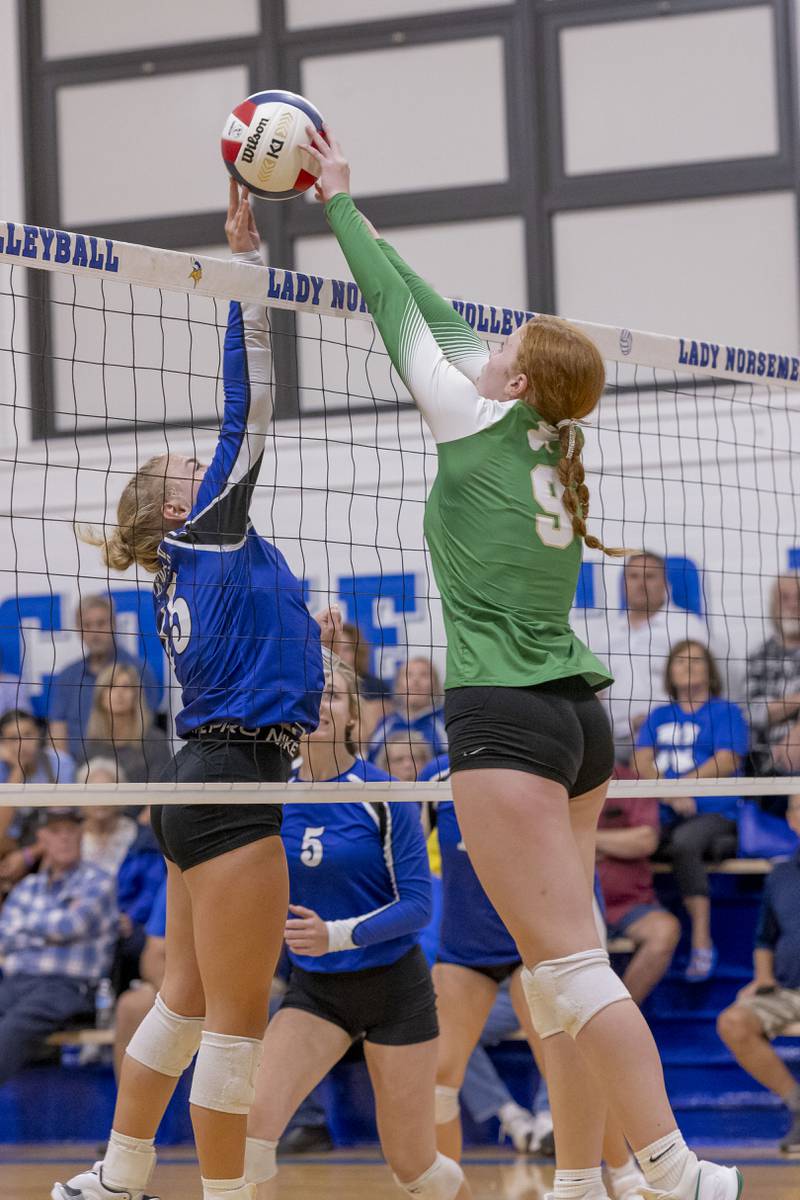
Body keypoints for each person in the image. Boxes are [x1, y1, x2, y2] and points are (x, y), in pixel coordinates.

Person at [308, 127, 742, 1200]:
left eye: (513, 340)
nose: (493, 340)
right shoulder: (541, 432)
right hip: (576, 725)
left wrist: (331, 211)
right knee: (564, 966)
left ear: (519, 373)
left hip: (504, 720)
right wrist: (362, 202)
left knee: (565, 967)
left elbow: (390, 306)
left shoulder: (465, 415)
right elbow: (441, 309)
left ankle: (673, 1169)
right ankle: (589, 1175)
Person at [54, 183, 324, 1200]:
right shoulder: (204, 533)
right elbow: (243, 404)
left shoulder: (200, 560)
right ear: (179, 502)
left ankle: (119, 1176)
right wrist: (243, 282)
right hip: (231, 779)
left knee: (182, 1000)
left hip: (198, 774)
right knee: (233, 1027)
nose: (200, 465)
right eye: (187, 468)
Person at [245, 659, 457, 1198]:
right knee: (251, 1133)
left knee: (414, 1167)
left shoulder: (384, 793)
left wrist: (335, 934)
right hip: (317, 993)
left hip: (395, 990)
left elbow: (417, 905)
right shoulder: (271, 798)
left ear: (352, 718)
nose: (319, 706)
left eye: (333, 696)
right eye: (311, 696)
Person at [634, 641, 748, 982]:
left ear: (709, 670)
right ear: (669, 671)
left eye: (696, 661)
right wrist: (670, 792)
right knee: (637, 841)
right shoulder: (659, 716)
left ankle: (701, 937)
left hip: (716, 812)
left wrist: (682, 784)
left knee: (685, 844)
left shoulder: (725, 712)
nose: (688, 667)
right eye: (680, 662)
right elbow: (641, 761)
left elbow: (728, 759)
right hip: (669, 812)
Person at [0, 808, 118, 1086]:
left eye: (71, 830)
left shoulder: (99, 881)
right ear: (42, 840)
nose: (64, 838)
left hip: (69, 986)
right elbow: (5, 935)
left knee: (13, 1028)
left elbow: (70, 926)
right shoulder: (28, 886)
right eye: (55, 831)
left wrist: (29, 927)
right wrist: (52, 928)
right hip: (16, 982)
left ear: (81, 835)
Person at [716, 794, 800, 1156]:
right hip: (787, 990)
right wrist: (763, 976)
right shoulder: (782, 872)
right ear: (792, 819)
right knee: (733, 1022)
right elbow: (764, 937)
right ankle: (799, 1104)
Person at [580, 553, 710, 763]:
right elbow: (595, 689)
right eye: (633, 577)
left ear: (666, 584)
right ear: (623, 585)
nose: (641, 584)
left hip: (670, 737)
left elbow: (701, 688)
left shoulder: (686, 626)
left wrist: (655, 722)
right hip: (610, 741)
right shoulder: (606, 631)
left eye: (649, 576)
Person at [596, 766, 681, 1004]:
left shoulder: (630, 781)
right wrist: (615, 843)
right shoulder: (559, 780)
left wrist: (589, 839)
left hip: (628, 904)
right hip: (573, 906)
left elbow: (645, 840)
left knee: (664, 931)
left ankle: (622, 1016)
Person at [48, 594, 161, 763]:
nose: (94, 633)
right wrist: (66, 776)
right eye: (87, 625)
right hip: (78, 776)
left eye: (101, 623)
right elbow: (57, 731)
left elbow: (146, 725)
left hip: (130, 770)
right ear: (78, 630)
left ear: (114, 625)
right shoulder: (67, 676)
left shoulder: (139, 671)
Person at [746, 574, 800, 775]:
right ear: (773, 606)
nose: (794, 604)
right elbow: (755, 713)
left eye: (799, 597)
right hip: (768, 763)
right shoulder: (759, 656)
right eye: (785, 598)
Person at [82, 661, 172, 781]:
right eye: (111, 686)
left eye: (125, 687)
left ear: (136, 695)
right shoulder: (91, 743)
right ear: (100, 697)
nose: (119, 693)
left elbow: (161, 790)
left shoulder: (155, 740)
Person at [368, 656, 447, 764]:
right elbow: (372, 761)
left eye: (424, 675)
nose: (416, 681)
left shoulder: (445, 723)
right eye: (408, 675)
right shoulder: (386, 724)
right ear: (398, 685)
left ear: (435, 685)